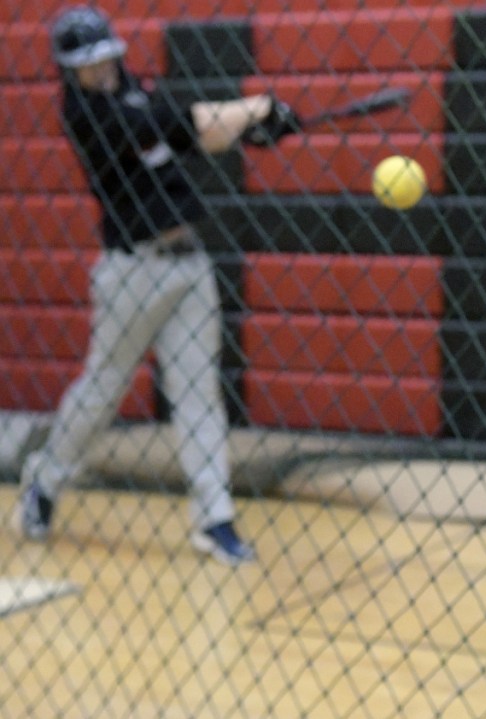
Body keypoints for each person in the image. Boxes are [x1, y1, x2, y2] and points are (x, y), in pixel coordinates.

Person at [16, 6, 297, 565]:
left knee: (199, 392)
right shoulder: (86, 115)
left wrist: (254, 128)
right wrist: (251, 110)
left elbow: (192, 135)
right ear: (71, 72)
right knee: (103, 389)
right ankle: (44, 483)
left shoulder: (136, 93)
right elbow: (173, 123)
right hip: (133, 273)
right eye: (86, 66)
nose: (99, 72)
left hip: (189, 266)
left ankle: (214, 518)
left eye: (103, 59)